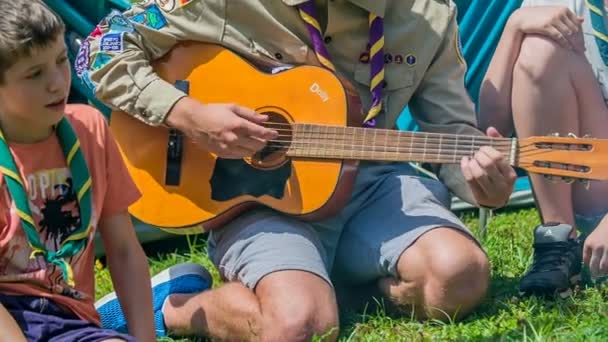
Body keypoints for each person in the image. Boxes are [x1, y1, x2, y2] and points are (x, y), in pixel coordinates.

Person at [83, 0, 517, 340]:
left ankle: (316, 290)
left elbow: (451, 130)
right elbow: (97, 49)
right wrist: (187, 113)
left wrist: (484, 184)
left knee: (459, 277)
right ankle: (177, 308)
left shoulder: (427, 13)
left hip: (370, 183)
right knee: (296, 329)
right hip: (258, 201)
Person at [0, 1, 168, 340]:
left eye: (62, 61)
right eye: (34, 74)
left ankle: (141, 312)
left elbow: (122, 249)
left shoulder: (90, 129)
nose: (57, 82)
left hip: (65, 317)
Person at [479, 0, 608, 297]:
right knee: (539, 45)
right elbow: (492, 125)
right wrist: (515, 25)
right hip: (592, 188)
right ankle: (559, 244)